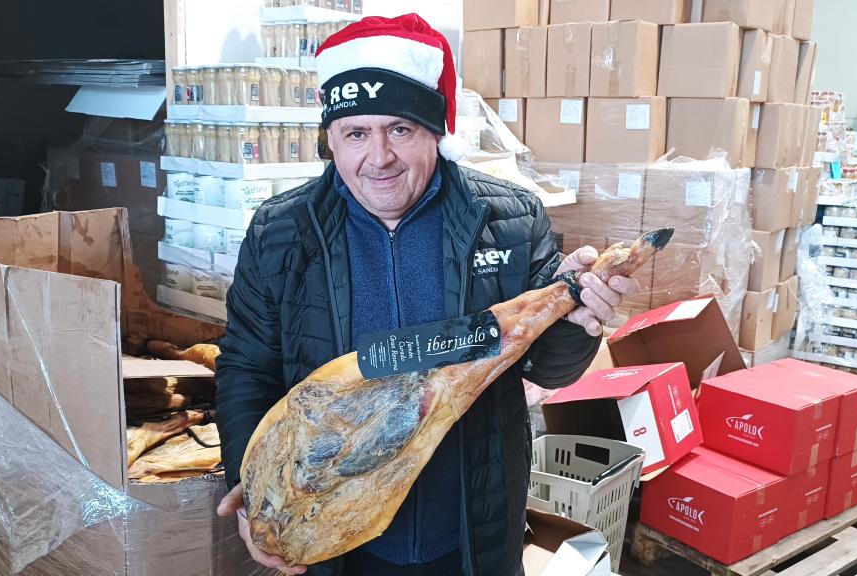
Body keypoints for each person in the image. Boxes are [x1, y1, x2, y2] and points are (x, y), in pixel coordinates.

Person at [215, 14, 639, 576]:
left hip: (468, 527)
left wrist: (577, 318)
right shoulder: (281, 234)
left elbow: (547, 368)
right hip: (335, 533)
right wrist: (253, 488)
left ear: (435, 132)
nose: (379, 157)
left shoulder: (509, 221)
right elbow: (246, 367)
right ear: (331, 140)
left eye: (400, 129)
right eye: (356, 133)